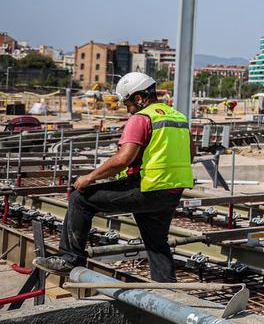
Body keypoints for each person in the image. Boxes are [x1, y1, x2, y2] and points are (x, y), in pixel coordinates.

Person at [35, 73, 194, 281]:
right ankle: (167, 289)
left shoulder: (142, 118)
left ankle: (70, 259)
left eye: (127, 103)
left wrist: (89, 178)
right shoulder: (178, 117)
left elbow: (123, 159)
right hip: (171, 192)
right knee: (156, 242)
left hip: (146, 188)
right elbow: (191, 153)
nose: (127, 109)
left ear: (139, 98)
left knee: (79, 199)